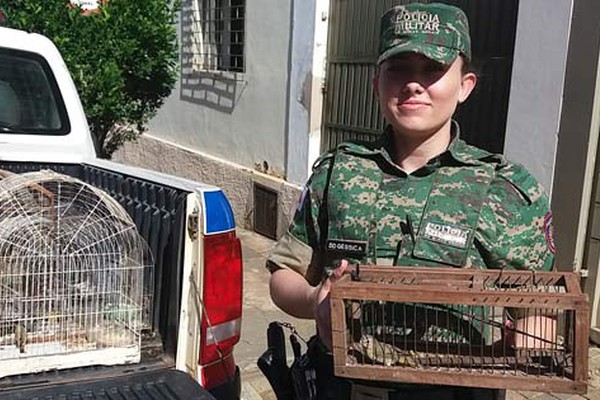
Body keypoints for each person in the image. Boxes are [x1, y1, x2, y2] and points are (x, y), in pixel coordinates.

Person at [266, 2, 555, 399]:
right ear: (376, 82)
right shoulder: (338, 173)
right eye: (398, 68)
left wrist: (531, 338)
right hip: (339, 386)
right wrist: (316, 300)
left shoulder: (506, 189)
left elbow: (541, 308)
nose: (414, 84)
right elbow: (285, 276)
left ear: (466, 85)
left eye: (433, 70)